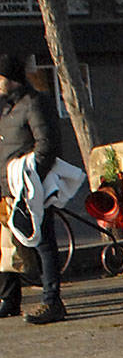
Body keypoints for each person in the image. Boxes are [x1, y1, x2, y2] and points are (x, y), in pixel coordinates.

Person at [0, 52, 66, 323]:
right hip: (4, 187)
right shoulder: (4, 107)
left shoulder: (35, 103)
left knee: (43, 243)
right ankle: (10, 299)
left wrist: (30, 178)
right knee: (6, 245)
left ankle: (52, 302)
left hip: (27, 187)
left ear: (9, 79)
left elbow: (47, 144)